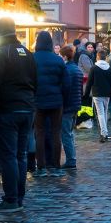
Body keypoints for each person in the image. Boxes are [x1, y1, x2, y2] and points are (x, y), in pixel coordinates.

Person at [0, 18, 37, 212]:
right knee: (21, 155)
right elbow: (35, 80)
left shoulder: (1, 54)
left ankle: (11, 199)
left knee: (8, 156)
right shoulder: (26, 53)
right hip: (27, 108)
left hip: (7, 110)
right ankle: (19, 196)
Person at [32, 30, 66, 176]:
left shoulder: (32, 58)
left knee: (39, 133)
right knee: (56, 133)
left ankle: (40, 166)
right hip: (56, 101)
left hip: (37, 101)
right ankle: (56, 166)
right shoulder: (58, 60)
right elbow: (66, 83)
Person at [60, 45, 83, 169]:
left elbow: (65, 89)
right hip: (75, 105)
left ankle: (71, 160)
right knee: (70, 133)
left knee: (66, 134)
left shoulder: (67, 70)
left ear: (64, 56)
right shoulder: (76, 69)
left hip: (68, 106)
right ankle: (72, 158)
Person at [86, 49, 111, 143]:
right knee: (105, 112)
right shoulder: (109, 68)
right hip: (107, 94)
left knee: (100, 113)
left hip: (97, 93)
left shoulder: (94, 68)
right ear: (105, 57)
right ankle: (105, 132)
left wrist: (86, 94)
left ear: (97, 57)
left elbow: (89, 82)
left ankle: (104, 133)